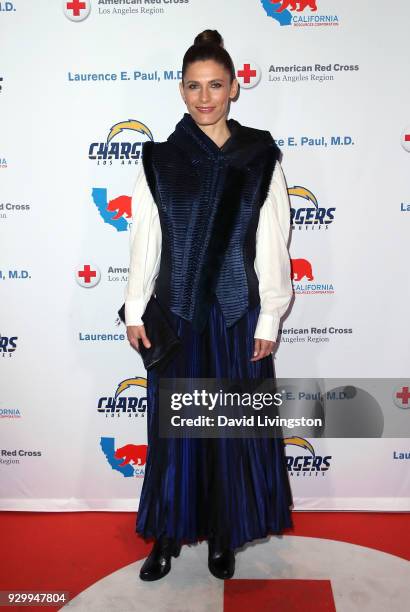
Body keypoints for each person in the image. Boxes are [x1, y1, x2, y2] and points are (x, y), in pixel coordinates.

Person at [124, 29, 294, 582]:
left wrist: (269, 314)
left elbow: (273, 240)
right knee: (174, 434)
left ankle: (224, 534)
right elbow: (145, 240)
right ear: (180, 90)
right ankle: (167, 536)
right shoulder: (158, 159)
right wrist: (132, 310)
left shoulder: (260, 154)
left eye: (215, 85)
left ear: (234, 88)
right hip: (176, 317)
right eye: (194, 86)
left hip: (236, 317)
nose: (205, 97)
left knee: (229, 435)